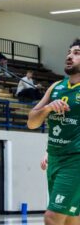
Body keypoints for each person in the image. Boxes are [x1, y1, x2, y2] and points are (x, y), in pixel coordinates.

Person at [27, 39, 80, 225]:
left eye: (76, 53)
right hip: (55, 159)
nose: (69, 56)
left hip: (75, 161)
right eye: (69, 52)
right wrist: (48, 108)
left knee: (52, 217)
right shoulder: (56, 87)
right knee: (71, 219)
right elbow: (32, 122)